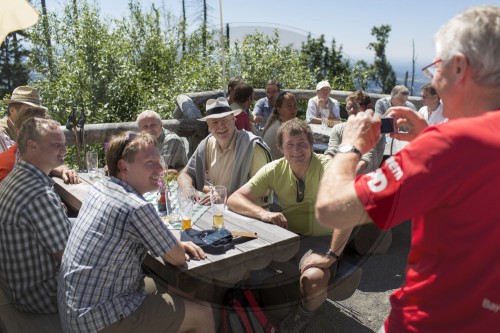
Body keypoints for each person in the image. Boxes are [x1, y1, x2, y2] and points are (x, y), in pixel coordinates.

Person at [316, 5, 500, 333]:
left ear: (459, 67)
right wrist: (426, 139)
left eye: (436, 67)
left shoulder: (449, 145)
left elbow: (331, 210)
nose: (433, 79)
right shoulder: (455, 144)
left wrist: (351, 144)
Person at [58, 131, 214, 333]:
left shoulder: (100, 187)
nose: (160, 169)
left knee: (168, 286)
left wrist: (171, 244)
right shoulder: (135, 207)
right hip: (99, 321)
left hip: (74, 311)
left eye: (159, 161)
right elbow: (176, 257)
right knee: (202, 311)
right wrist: (175, 246)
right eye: (150, 162)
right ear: (123, 166)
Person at [228, 119, 353, 332]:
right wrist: (263, 214)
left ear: (312, 145)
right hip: (286, 236)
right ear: (281, 149)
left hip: (323, 240)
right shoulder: (275, 169)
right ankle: (240, 305)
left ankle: (300, 317)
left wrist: (330, 255)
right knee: (235, 253)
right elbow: (233, 199)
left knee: (313, 280)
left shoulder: (328, 168)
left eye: (302, 143)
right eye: (290, 145)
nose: (297, 150)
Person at [0, 118, 71, 313]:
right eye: (57, 145)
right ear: (32, 146)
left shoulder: (17, 177)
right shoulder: (39, 195)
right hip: (39, 295)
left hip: (15, 285)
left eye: (64, 144)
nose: (64, 151)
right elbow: (70, 261)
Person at [177, 97, 271, 204]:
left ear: (233, 119)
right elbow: (185, 173)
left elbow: (263, 190)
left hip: (248, 214)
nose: (221, 126)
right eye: (215, 122)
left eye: (225, 120)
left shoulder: (252, 146)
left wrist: (223, 196)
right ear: (208, 125)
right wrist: (188, 189)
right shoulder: (207, 143)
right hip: (218, 210)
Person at [0, 85, 79, 183]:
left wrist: (63, 169)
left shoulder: (31, 129)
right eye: (28, 110)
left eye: (36, 110)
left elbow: (40, 158)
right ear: (12, 110)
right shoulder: (2, 134)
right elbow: (27, 163)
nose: (35, 116)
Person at [325, 90, 385, 174]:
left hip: (366, 180)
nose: (352, 110)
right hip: (341, 175)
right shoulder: (338, 128)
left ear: (368, 107)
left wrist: (339, 180)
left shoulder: (375, 130)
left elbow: (365, 162)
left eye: (357, 105)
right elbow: (331, 153)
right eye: (349, 107)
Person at [375, 85, 416, 159]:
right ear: (392, 96)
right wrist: (389, 113)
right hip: (385, 142)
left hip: (402, 144)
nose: (403, 102)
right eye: (400, 99)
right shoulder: (381, 103)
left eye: (405, 100)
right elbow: (378, 123)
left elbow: (414, 128)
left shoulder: (410, 107)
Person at [262, 91, 297, 160]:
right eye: (289, 106)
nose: (293, 109)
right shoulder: (284, 129)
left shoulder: (277, 122)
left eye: (295, 105)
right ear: (279, 109)